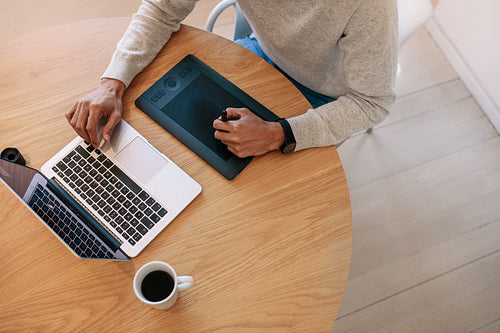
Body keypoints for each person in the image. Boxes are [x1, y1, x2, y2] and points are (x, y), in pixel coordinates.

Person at [66, 0, 398, 157]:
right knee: (179, 149)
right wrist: (113, 82)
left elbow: (372, 102)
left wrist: (276, 134)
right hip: (260, 54)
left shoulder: (369, 5)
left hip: (326, 96)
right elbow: (162, 9)